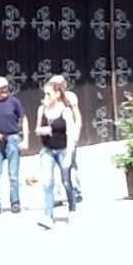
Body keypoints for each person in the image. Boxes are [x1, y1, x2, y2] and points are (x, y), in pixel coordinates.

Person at [35, 81, 76, 229]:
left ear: (57, 94)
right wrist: (43, 130)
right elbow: (37, 130)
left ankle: (72, 209)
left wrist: (69, 156)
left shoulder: (65, 111)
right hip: (47, 150)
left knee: (66, 182)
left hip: (63, 150)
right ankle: (48, 216)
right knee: (47, 183)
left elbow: (71, 134)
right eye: (44, 94)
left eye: (49, 94)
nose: (46, 97)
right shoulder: (42, 109)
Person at [0, 76, 28, 215]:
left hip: (12, 139)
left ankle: (15, 203)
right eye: (1, 88)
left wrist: (24, 138)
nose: (4, 90)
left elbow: (23, 119)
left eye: (5, 87)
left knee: (13, 175)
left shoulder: (14, 101)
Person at [48, 74, 82, 204]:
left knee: (70, 164)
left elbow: (77, 116)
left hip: (69, 135)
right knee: (56, 167)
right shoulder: (50, 98)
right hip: (55, 137)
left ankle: (76, 191)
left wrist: (77, 131)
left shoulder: (70, 97)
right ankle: (57, 196)